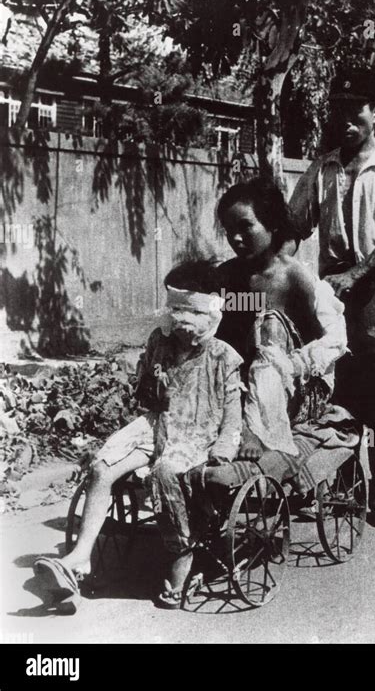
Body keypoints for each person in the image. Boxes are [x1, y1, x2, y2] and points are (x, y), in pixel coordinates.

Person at [34, 261, 243, 609]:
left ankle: (182, 554)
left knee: (166, 473)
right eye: (174, 309)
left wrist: (224, 447)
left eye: (189, 310)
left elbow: (232, 412)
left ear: (209, 312)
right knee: (102, 466)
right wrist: (153, 386)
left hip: (197, 432)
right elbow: (144, 397)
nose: (179, 319)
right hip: (156, 424)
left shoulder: (223, 357)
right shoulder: (158, 343)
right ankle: (79, 559)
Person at [285, 69, 375, 527]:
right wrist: (275, 276)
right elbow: (293, 229)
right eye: (339, 112)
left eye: (357, 112)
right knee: (335, 388)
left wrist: (358, 273)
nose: (347, 121)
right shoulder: (323, 168)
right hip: (332, 291)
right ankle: (344, 485)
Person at [205, 177, 358, 494]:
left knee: (270, 327)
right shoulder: (225, 275)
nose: (236, 238)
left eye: (246, 227)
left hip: (288, 386)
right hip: (235, 381)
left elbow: (323, 342)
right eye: (229, 229)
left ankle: (258, 434)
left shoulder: (293, 277)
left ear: (272, 225)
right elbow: (217, 339)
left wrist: (295, 366)